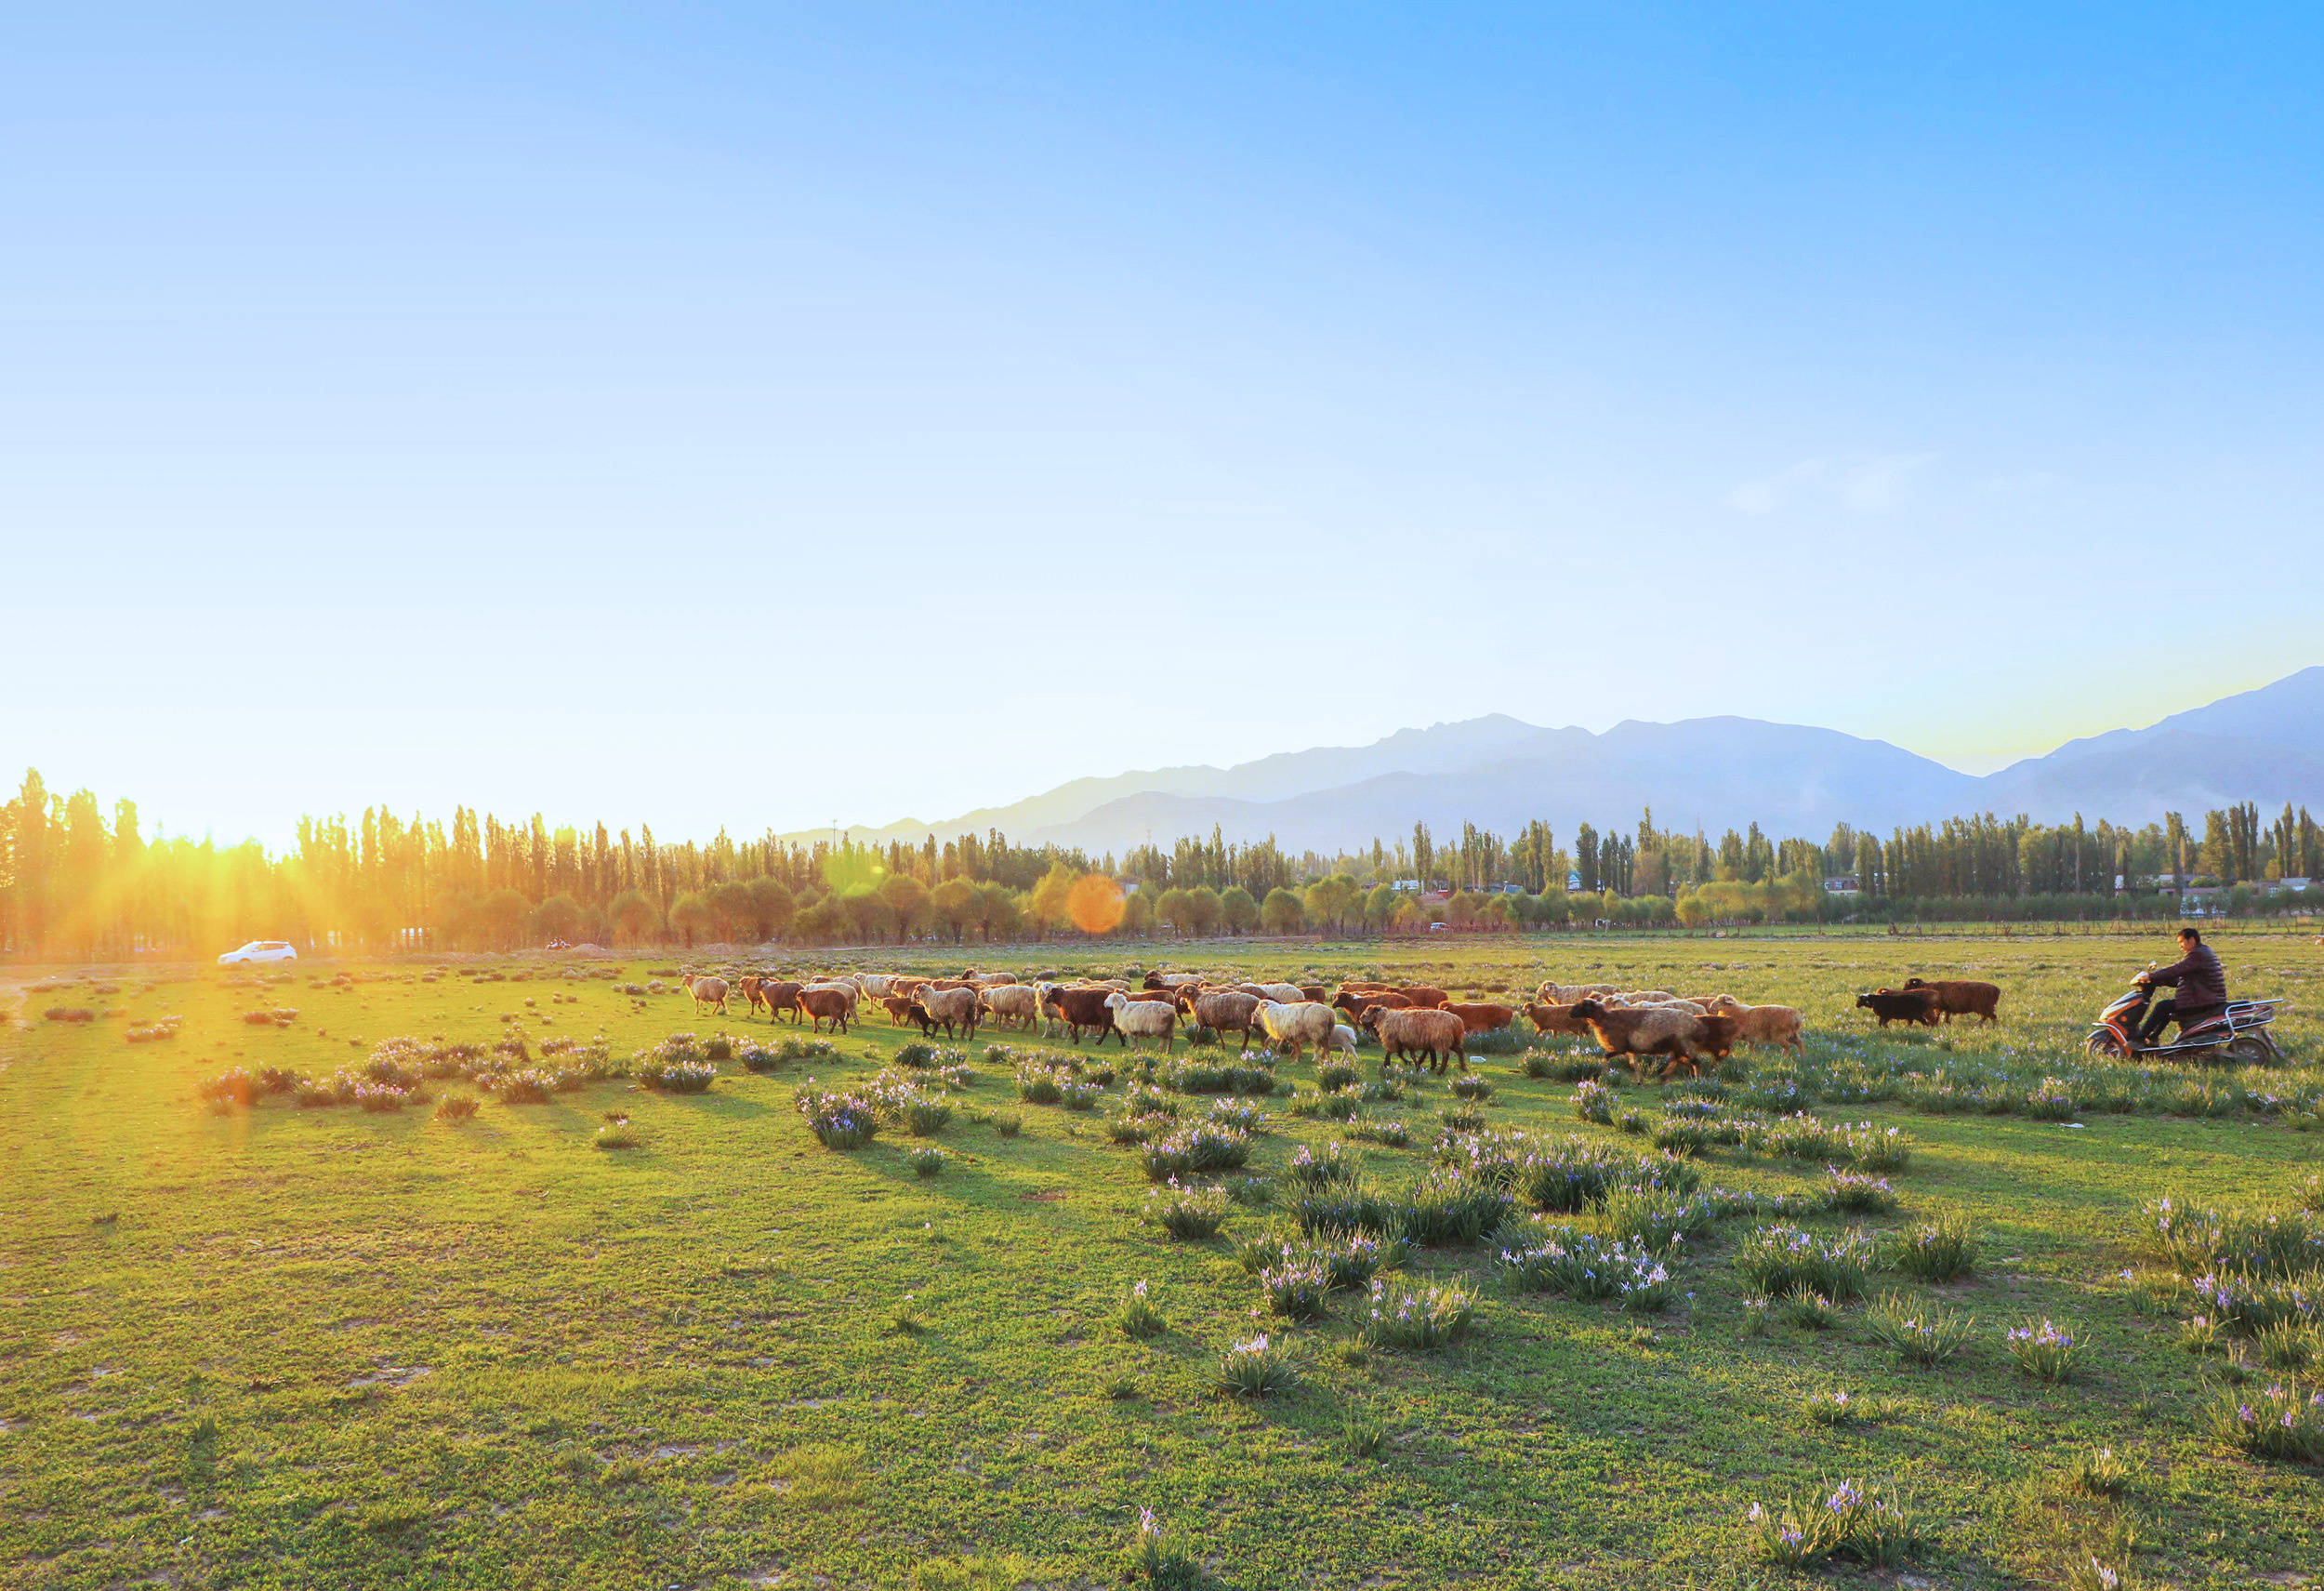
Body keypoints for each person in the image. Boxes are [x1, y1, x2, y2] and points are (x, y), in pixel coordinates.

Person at [2135, 925, 2228, 1046]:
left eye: (2181, 942)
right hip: (2206, 999)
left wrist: (2152, 976)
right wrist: (2161, 981)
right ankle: (2153, 1038)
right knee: (2168, 1008)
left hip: (2204, 1001)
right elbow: (2183, 978)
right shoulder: (2203, 951)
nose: (2180, 946)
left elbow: (2177, 969)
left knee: (2162, 1006)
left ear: (2191, 940)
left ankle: (2139, 1039)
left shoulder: (2197, 954)